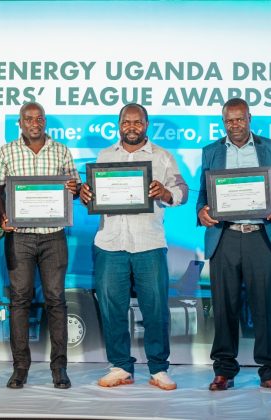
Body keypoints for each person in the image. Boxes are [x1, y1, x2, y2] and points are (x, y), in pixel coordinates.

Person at [80, 103, 188, 390]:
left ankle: (158, 368)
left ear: (146, 124)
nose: (131, 127)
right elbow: (93, 195)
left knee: (155, 309)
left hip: (149, 243)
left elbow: (182, 191)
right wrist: (87, 194)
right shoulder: (105, 156)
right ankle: (120, 367)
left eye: (137, 122)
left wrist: (165, 192)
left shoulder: (163, 157)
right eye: (126, 122)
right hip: (109, 242)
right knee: (112, 309)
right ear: (119, 125)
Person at [196, 98, 271, 392]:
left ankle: (270, 371)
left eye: (240, 119)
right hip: (224, 236)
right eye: (229, 120)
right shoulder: (211, 151)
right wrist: (201, 212)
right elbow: (203, 193)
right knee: (224, 307)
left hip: (261, 235)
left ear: (250, 118)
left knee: (265, 307)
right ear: (223, 122)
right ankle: (224, 370)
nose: (234, 125)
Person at [0, 102, 79, 389]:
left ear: (44, 122)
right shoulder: (6, 151)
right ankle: (20, 368)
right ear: (20, 122)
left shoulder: (61, 150)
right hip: (20, 237)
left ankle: (59, 368)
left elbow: (76, 189)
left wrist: (74, 188)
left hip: (54, 235)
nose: (34, 123)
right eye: (28, 118)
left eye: (39, 118)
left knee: (56, 300)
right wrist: (4, 216)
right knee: (19, 301)